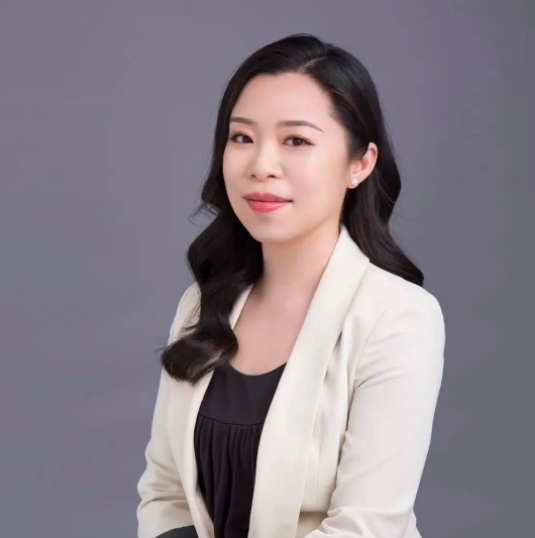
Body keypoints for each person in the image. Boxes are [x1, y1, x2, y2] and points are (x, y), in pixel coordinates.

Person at [136, 33, 445, 538]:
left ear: (360, 164)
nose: (261, 165)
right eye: (242, 137)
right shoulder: (201, 303)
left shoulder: (398, 315)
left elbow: (366, 527)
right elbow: (166, 494)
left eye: (296, 141)